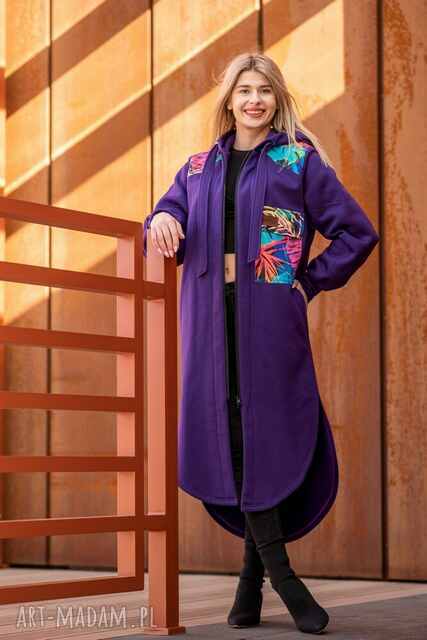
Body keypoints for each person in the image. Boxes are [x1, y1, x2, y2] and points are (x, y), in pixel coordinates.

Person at [143, 52, 379, 635]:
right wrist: (159, 219)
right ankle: (254, 583)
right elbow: (168, 218)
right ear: (228, 99)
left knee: (264, 434)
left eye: (265, 91)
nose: (254, 100)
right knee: (229, 434)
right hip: (207, 322)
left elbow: (357, 232)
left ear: (277, 99)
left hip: (271, 320)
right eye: (244, 90)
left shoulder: (298, 162)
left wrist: (308, 282)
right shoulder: (197, 169)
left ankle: (279, 579)